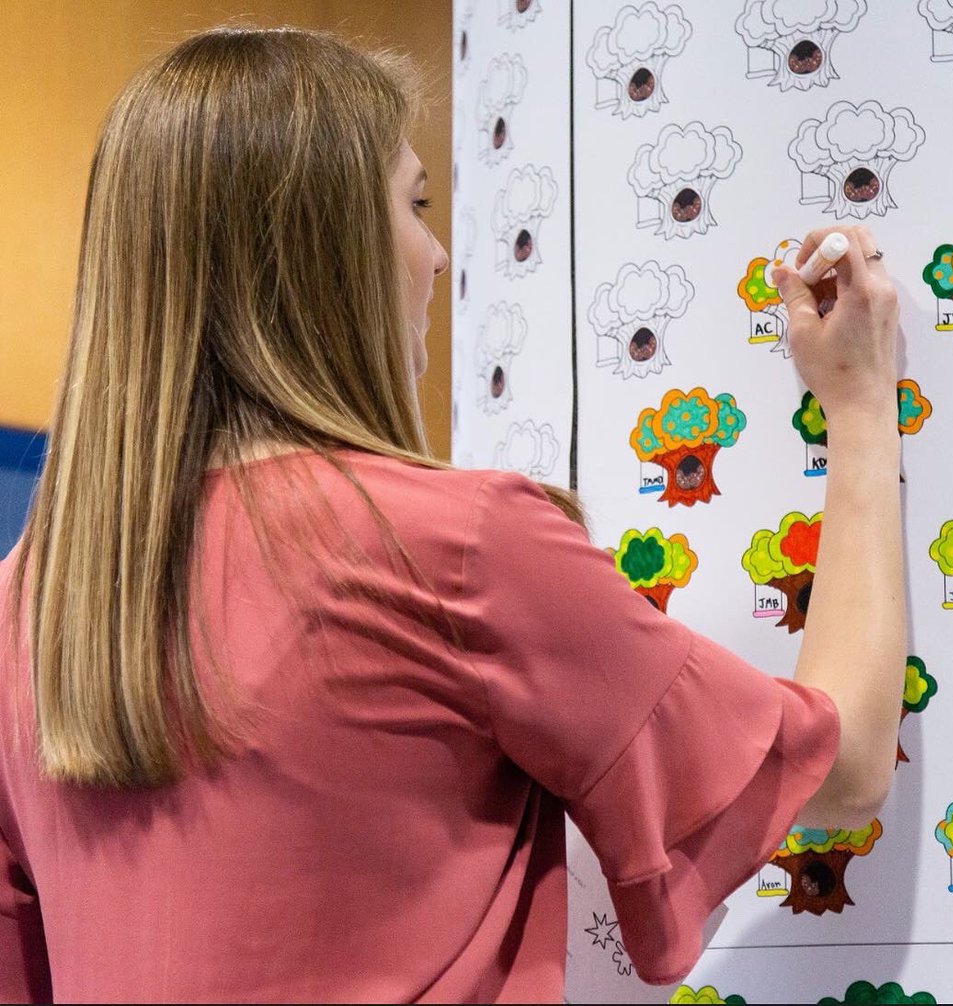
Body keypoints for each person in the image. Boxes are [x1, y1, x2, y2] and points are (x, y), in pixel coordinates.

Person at [0, 27, 904, 1004]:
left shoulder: (29, 603)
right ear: (320, 249)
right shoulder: (454, 549)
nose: (438, 256)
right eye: (414, 203)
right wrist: (859, 409)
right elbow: (846, 765)